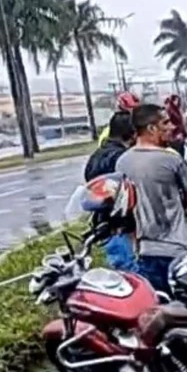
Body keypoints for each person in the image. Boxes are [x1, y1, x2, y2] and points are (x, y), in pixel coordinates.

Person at [115, 103, 187, 292]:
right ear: (151, 129)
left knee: (161, 309)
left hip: (146, 252)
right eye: (166, 122)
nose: (172, 127)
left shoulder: (122, 163)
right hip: (181, 250)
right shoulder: (171, 159)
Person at [83, 112, 137, 271]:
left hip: (104, 224)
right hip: (124, 225)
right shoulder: (122, 158)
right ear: (132, 134)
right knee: (132, 272)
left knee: (119, 267)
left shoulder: (96, 156)